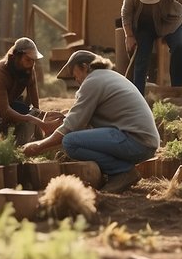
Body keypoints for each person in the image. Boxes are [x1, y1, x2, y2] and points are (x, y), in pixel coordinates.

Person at [21, 50, 160, 193]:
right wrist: (64, 117)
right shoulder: (106, 77)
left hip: (135, 141)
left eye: (75, 75)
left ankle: (122, 172)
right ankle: (118, 171)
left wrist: (39, 145)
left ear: (85, 66)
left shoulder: (92, 81)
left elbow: (72, 125)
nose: (76, 80)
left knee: (70, 142)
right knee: (76, 136)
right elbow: (80, 116)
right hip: (143, 141)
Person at [0, 37, 56, 142]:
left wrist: (39, 136)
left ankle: (7, 135)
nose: (31, 64)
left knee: (25, 110)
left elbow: (35, 105)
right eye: (28, 59)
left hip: (7, 102)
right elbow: (3, 110)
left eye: (33, 60)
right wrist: (32, 119)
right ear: (15, 57)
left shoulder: (29, 70)